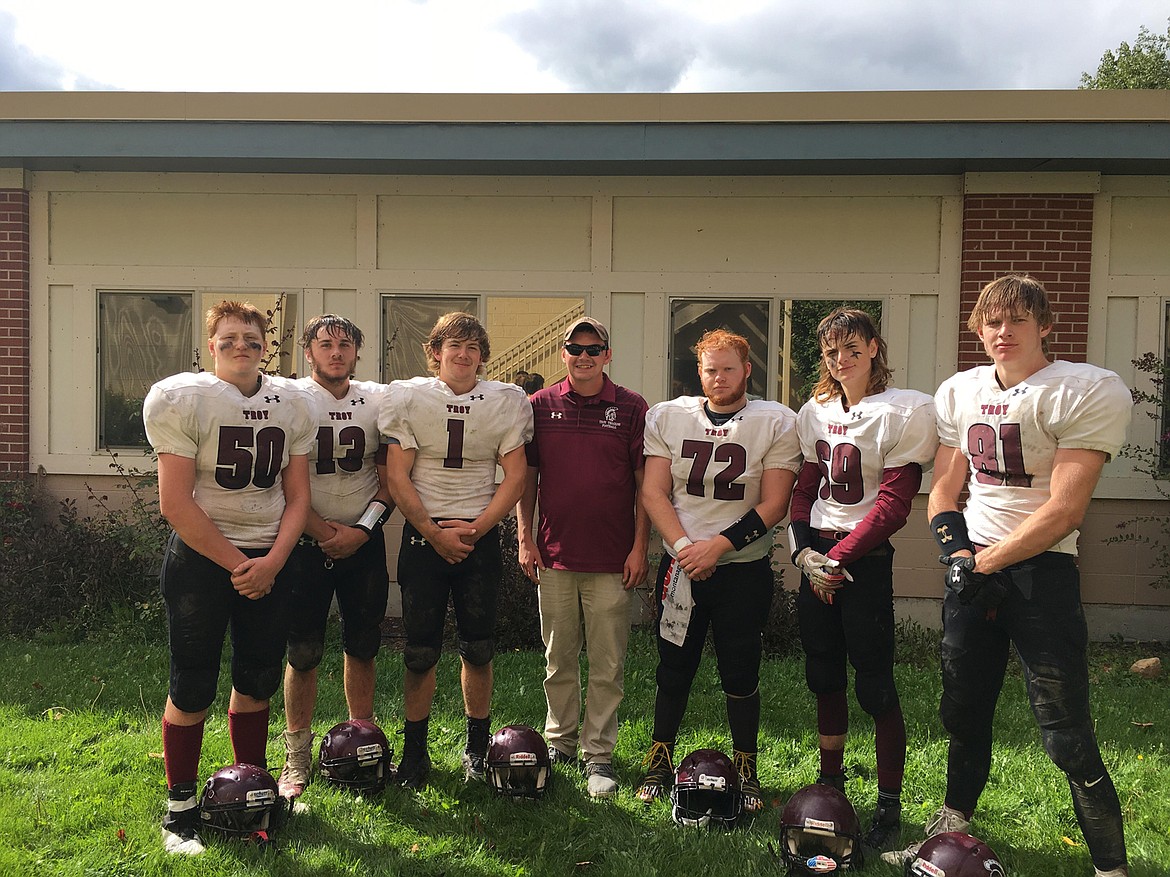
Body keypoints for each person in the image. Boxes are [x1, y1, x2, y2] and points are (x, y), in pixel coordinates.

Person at [885, 275, 1132, 877]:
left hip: (1039, 573)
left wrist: (984, 563)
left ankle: (1110, 865)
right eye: (992, 322)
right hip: (974, 566)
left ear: (1046, 326)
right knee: (962, 711)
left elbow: (1065, 510)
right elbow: (945, 487)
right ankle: (951, 828)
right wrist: (957, 555)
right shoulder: (960, 390)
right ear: (978, 328)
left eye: (1018, 320)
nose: (1003, 332)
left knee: (1064, 729)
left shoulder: (1081, 388)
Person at [143, 300, 314, 855]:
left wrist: (272, 560)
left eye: (251, 337)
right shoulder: (185, 398)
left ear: (266, 346)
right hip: (203, 559)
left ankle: (251, 790)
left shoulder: (291, 402)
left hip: (270, 556)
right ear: (210, 346)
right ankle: (181, 808)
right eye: (229, 337)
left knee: (258, 676)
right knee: (193, 681)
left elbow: (298, 496)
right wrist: (240, 565)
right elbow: (175, 502)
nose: (241, 345)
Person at [787, 308, 938, 852]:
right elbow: (805, 487)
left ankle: (889, 803)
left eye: (853, 348)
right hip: (820, 554)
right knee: (823, 674)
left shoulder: (903, 410)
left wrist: (837, 560)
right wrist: (802, 549)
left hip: (864, 558)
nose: (841, 360)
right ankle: (831, 785)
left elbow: (894, 507)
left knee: (874, 683)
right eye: (831, 352)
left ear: (874, 347)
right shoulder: (815, 411)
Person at [636, 328, 801, 814]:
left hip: (741, 569)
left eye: (729, 368)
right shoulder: (669, 416)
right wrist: (687, 548)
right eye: (711, 369)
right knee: (673, 665)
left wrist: (718, 547)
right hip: (683, 565)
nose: (719, 377)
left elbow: (775, 504)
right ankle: (659, 756)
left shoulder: (775, 422)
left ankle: (746, 765)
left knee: (740, 668)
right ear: (698, 372)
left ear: (747, 370)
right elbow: (653, 492)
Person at [380, 312, 534, 789]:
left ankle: (475, 747)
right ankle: (415, 751)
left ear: (483, 356)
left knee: (479, 648)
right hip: (423, 540)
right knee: (420, 652)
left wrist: (477, 528)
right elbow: (396, 474)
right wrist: (432, 530)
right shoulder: (408, 397)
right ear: (435, 353)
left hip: (478, 538)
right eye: (454, 346)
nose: (463, 355)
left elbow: (516, 475)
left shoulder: (506, 401)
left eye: (472, 347)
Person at [516, 317, 650, 798]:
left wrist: (640, 547)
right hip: (554, 555)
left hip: (614, 559)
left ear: (607, 355)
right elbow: (525, 480)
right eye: (575, 349)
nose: (584, 357)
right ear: (563, 354)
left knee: (608, 663)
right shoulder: (539, 406)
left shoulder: (632, 408)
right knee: (559, 657)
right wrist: (524, 538)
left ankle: (600, 754)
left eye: (594, 350)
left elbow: (644, 487)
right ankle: (560, 743)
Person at [276, 314, 394, 799]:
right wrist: (325, 532)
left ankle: (359, 742)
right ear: (308, 352)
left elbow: (391, 480)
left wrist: (361, 532)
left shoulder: (378, 400)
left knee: (363, 646)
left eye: (345, 344)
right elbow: (280, 481)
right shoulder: (288, 397)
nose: (336, 352)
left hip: (363, 543)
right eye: (325, 344)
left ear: (357, 353)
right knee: (302, 652)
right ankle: (297, 755)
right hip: (306, 545)